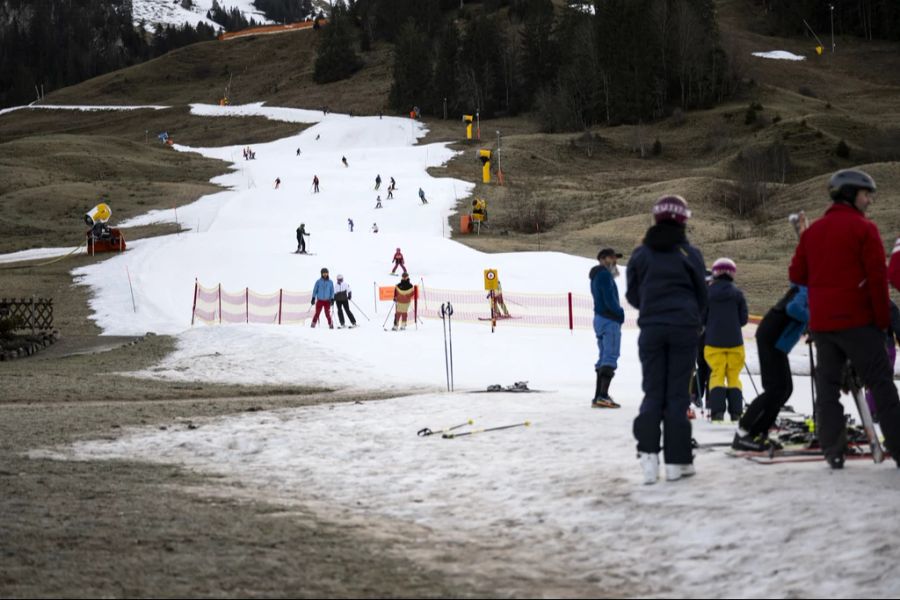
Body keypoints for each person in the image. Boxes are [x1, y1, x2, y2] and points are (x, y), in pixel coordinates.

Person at [789, 168, 900, 469]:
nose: (869, 201)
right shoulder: (865, 230)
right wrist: (881, 322)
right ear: (852, 195)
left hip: (824, 326)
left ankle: (833, 451)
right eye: (866, 195)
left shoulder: (814, 233)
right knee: (881, 384)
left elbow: (797, 274)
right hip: (859, 323)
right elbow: (877, 282)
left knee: (827, 388)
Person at [626, 195, 707, 484]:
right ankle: (677, 461)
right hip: (684, 329)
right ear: (683, 219)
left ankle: (648, 459)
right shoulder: (690, 253)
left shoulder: (641, 254)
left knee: (653, 393)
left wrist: (651, 307)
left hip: (652, 330)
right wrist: (691, 317)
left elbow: (632, 294)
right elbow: (702, 294)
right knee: (677, 394)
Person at [732, 283, 809, 451]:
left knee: (785, 389)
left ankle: (759, 432)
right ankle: (744, 433)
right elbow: (793, 308)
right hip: (770, 338)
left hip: (776, 342)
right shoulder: (806, 288)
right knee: (776, 389)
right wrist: (813, 319)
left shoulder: (810, 288)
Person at [703, 258, 749, 422]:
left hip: (713, 342)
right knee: (733, 376)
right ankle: (736, 413)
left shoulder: (708, 293)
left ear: (715, 273)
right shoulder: (738, 294)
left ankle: (717, 412)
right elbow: (743, 319)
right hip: (735, 343)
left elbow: (702, 317)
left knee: (717, 375)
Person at [590, 248, 625, 409]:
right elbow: (609, 299)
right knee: (611, 355)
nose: (615, 262)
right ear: (603, 259)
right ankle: (602, 396)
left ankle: (599, 395)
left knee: (604, 356)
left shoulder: (598, 275)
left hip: (600, 318)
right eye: (612, 258)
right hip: (609, 319)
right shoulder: (604, 275)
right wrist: (619, 313)